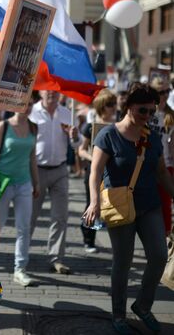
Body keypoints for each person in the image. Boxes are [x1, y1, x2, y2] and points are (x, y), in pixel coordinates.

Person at [84, 82, 174, 334]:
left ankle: (143, 306)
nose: (147, 116)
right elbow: (95, 172)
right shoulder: (108, 135)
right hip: (120, 207)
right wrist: (94, 202)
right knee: (122, 262)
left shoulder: (151, 137)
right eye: (142, 110)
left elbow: (160, 173)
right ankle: (118, 315)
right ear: (129, 108)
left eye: (151, 112)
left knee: (158, 255)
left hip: (149, 206)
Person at [29, 90, 80, 274]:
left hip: (60, 170)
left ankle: (56, 258)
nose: (51, 93)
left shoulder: (67, 113)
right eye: (47, 89)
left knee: (60, 216)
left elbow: (76, 145)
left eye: (55, 90)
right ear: (41, 92)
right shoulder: (32, 112)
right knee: (30, 215)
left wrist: (74, 136)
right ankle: (22, 255)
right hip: (37, 171)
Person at [0, 98, 39, 286]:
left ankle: (20, 268)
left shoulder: (34, 128)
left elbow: (32, 157)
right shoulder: (3, 126)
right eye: (25, 103)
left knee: (24, 227)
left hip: (24, 183)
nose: (28, 107)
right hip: (3, 183)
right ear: (15, 105)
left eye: (31, 103)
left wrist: (37, 182)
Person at [77, 89, 117, 253]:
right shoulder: (90, 127)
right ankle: (89, 239)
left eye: (114, 104)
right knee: (92, 204)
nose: (113, 107)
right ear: (101, 106)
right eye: (109, 104)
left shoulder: (118, 126)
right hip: (93, 172)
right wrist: (95, 159)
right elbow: (81, 150)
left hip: (112, 173)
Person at [149, 76, 174, 234]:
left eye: (167, 91)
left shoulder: (171, 115)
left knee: (165, 206)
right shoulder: (147, 112)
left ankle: (165, 243)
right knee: (147, 206)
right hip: (146, 165)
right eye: (161, 91)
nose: (164, 95)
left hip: (166, 165)